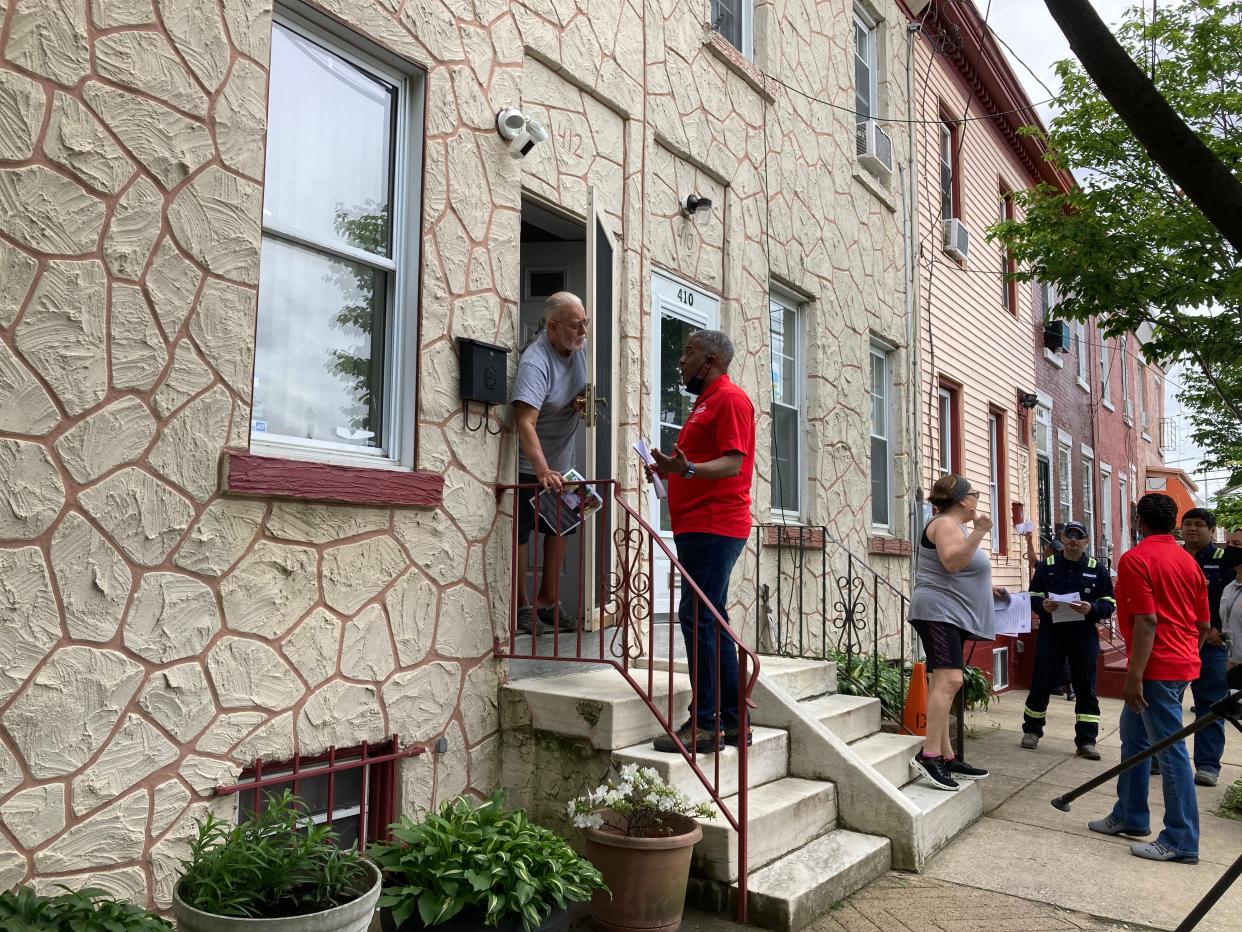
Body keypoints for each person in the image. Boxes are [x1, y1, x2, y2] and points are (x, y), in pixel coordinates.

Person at [647, 330, 755, 754]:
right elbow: (697, 463)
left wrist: (686, 470)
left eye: (688, 352)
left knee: (696, 615)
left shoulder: (730, 399)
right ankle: (732, 721)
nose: (680, 360)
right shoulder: (705, 401)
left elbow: (732, 463)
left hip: (716, 524)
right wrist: (671, 471)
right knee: (711, 618)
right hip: (699, 524)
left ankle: (706, 725)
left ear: (710, 359)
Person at [1088, 492, 1208, 864]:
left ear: (1139, 521)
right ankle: (1131, 815)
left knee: (1169, 753)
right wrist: (1187, 655)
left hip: (1155, 669)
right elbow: (1203, 624)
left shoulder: (1136, 559)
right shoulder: (1189, 561)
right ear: (1174, 523)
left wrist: (1134, 676)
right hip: (1180, 662)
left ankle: (1181, 839)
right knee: (1135, 739)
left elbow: (1146, 620)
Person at [907, 474, 1003, 791]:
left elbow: (959, 569)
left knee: (941, 681)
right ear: (963, 500)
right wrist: (979, 532)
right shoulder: (947, 524)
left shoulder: (954, 526)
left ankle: (947, 756)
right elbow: (951, 563)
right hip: (939, 612)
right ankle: (929, 754)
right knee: (951, 679)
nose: (977, 498)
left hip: (952, 612)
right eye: (974, 493)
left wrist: (990, 588)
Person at [511, 293, 588, 633]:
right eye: (576, 325)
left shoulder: (577, 347)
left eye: (584, 322)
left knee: (562, 528)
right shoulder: (535, 362)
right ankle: (523, 606)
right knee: (522, 535)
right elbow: (524, 421)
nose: (583, 330)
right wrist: (541, 469)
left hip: (563, 463)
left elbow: (573, 389)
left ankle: (548, 603)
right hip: (532, 464)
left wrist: (580, 402)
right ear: (553, 327)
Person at [1020, 521, 1115, 759]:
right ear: (1062, 538)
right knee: (1042, 681)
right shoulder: (1047, 566)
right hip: (1052, 632)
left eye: (1078, 536)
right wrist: (1042, 605)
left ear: (1086, 541)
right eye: (1069, 536)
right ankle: (1032, 730)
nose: (1073, 540)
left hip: (1083, 634)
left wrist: (1091, 607)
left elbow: (1109, 604)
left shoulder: (1097, 569)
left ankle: (1086, 740)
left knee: (1086, 686)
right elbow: (1033, 595)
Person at [1180, 507, 1229, 787]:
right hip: (1177, 642)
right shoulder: (1175, 557)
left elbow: (1234, 599)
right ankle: (1159, 757)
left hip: (1211, 645)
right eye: (1188, 524)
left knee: (1210, 704)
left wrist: (1219, 631)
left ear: (1212, 530)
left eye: (1199, 524)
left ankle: (1208, 765)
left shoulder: (1225, 560)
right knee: (1166, 702)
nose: (1192, 529)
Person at [1221, 546, 1242, 669]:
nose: (1229, 548)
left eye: (1236, 543)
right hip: (1231, 664)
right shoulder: (1229, 588)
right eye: (1229, 542)